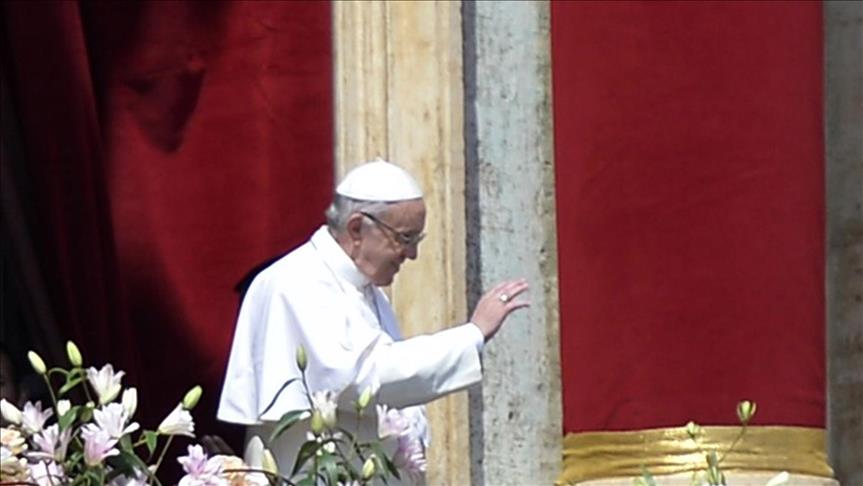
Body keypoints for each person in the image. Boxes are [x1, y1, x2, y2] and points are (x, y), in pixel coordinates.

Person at [217, 159, 528, 481]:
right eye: (405, 238)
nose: (412, 254)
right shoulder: (297, 282)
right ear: (356, 229)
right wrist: (472, 334)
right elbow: (358, 379)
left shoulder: (366, 290)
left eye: (416, 240)